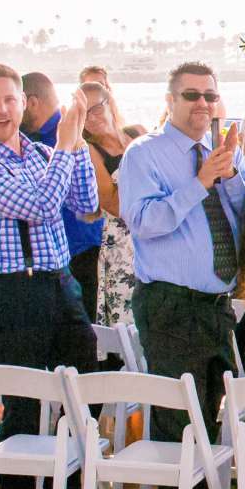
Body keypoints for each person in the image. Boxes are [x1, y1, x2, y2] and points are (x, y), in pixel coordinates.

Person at [119, 63, 245, 489]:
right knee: (179, 420)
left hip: (215, 304)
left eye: (210, 96)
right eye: (192, 95)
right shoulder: (145, 155)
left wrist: (230, 175)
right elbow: (142, 221)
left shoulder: (223, 154)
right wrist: (199, 182)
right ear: (171, 100)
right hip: (170, 304)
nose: (202, 104)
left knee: (213, 417)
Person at [0, 64, 101, 489]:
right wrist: (64, 147)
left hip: (61, 286)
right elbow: (40, 207)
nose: (2, 110)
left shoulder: (44, 154)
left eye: (9, 100)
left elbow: (85, 203)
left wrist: (76, 142)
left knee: (83, 395)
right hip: (14, 291)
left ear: (24, 103)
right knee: (23, 405)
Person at [25, 71, 107, 302]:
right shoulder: (25, 140)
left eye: (17, 102)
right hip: (55, 259)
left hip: (83, 250)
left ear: (31, 103)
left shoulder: (71, 132)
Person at [76, 83, 139, 326]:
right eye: (84, 114)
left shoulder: (137, 133)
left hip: (156, 234)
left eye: (96, 109)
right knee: (126, 321)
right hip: (122, 244)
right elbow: (113, 203)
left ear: (110, 104)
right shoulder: (90, 150)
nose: (91, 118)